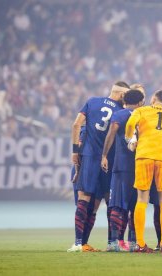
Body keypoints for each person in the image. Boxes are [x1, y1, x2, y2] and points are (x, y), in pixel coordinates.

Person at [67, 81, 129, 252]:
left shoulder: (92, 101)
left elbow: (76, 125)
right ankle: (112, 243)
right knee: (110, 202)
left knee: (85, 200)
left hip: (89, 157)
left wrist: (74, 151)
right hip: (110, 161)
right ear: (122, 94)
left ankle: (79, 243)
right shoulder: (122, 112)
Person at [125, 90, 162, 253]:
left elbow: (129, 126)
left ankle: (140, 244)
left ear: (154, 99)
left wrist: (131, 140)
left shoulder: (141, 110)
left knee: (142, 199)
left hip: (144, 156)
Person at [100, 89, 145, 252]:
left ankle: (113, 242)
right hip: (140, 166)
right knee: (136, 206)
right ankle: (133, 243)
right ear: (140, 102)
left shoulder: (119, 115)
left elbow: (111, 135)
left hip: (121, 166)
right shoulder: (144, 115)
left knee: (118, 205)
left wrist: (104, 155)